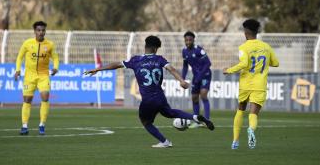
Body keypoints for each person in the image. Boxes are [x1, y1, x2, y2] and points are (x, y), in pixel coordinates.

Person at [84, 35, 214, 148]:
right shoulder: (160, 59)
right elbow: (172, 69)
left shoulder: (136, 60)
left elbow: (116, 64)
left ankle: (165, 141)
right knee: (170, 113)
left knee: (145, 121)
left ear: (146, 46)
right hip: (160, 96)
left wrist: (98, 69)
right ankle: (195, 117)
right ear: (155, 48)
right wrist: (181, 81)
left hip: (147, 99)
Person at [223, 19, 279, 149]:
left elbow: (244, 63)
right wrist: (263, 62)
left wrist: (228, 70)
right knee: (253, 113)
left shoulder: (243, 47)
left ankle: (235, 142)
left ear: (246, 32)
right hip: (260, 85)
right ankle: (251, 129)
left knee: (240, 109)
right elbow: (276, 63)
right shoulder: (266, 47)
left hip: (245, 84)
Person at [14, 21, 59, 135]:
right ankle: (24, 126)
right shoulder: (27, 43)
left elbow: (55, 58)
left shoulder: (50, 45)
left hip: (43, 76)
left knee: (45, 97)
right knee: (27, 100)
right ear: (34, 31)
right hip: (30, 76)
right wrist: (18, 70)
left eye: (43, 30)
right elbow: (19, 57)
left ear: (45, 31)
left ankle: (42, 125)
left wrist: (55, 68)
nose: (41, 32)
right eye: (39, 30)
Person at [182, 31, 212, 128]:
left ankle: (207, 120)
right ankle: (197, 121)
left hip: (205, 75)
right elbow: (185, 66)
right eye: (186, 40)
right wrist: (182, 78)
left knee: (203, 95)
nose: (188, 42)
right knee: (194, 98)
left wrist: (200, 76)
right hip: (196, 76)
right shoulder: (184, 51)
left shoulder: (199, 50)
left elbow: (208, 63)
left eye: (190, 40)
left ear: (193, 40)